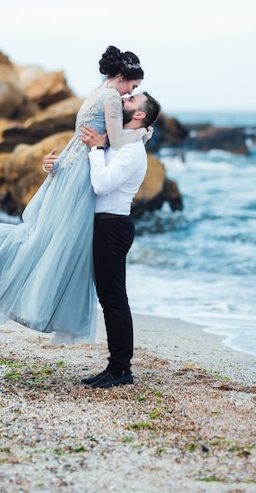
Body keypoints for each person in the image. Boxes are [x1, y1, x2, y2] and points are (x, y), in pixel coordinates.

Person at [0, 46, 150, 343]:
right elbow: (114, 142)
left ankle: (21, 294)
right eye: (134, 85)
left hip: (68, 166)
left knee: (45, 236)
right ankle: (32, 302)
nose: (132, 91)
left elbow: (83, 137)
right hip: (80, 175)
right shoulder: (113, 97)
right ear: (123, 77)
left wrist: (58, 163)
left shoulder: (93, 93)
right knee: (61, 243)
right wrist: (142, 133)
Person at [43, 92, 161, 388]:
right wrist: (52, 167)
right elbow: (84, 177)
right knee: (109, 299)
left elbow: (102, 183)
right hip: (100, 225)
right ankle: (116, 366)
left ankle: (121, 369)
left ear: (140, 115)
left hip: (113, 227)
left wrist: (96, 148)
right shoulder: (118, 143)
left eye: (132, 99)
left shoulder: (132, 151)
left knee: (113, 299)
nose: (124, 100)